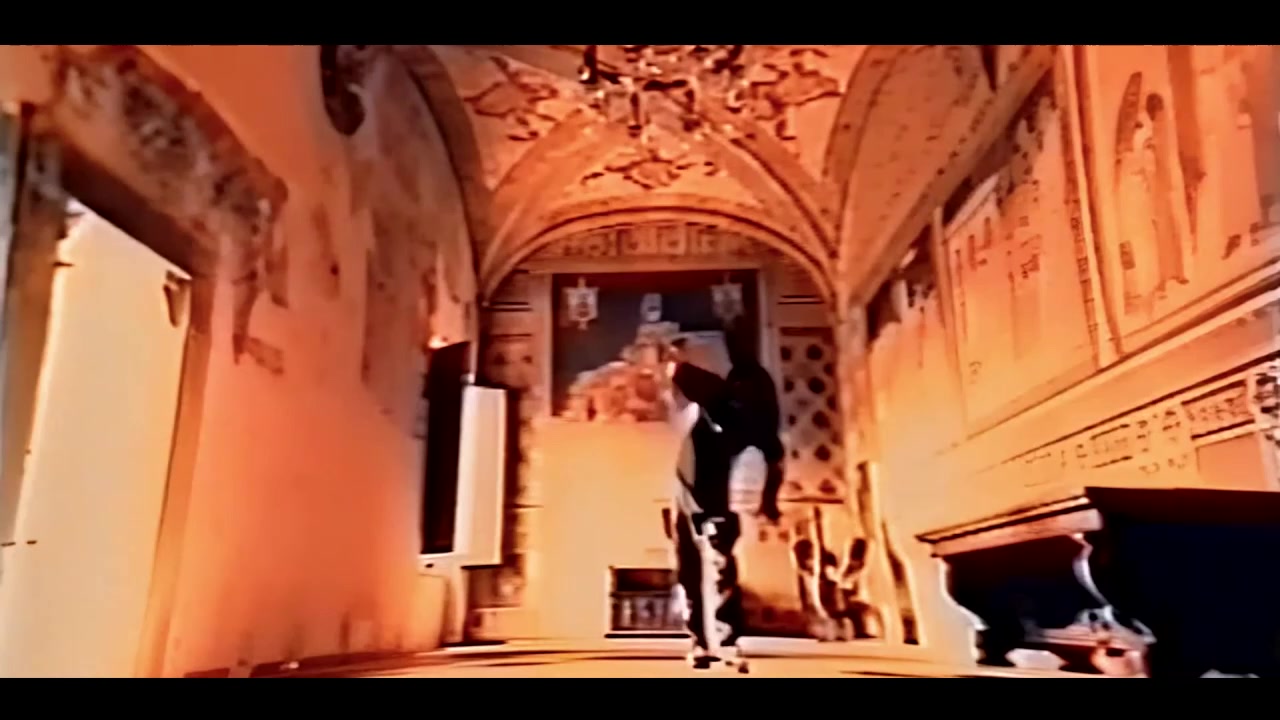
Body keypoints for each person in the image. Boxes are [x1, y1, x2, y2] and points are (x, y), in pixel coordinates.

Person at [663, 333, 785, 670]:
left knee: (721, 563)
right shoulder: (721, 397)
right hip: (687, 484)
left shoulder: (759, 428)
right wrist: (674, 358)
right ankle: (701, 642)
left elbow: (774, 462)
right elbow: (680, 373)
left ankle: (726, 640)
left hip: (715, 491)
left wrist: (770, 502)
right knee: (690, 566)